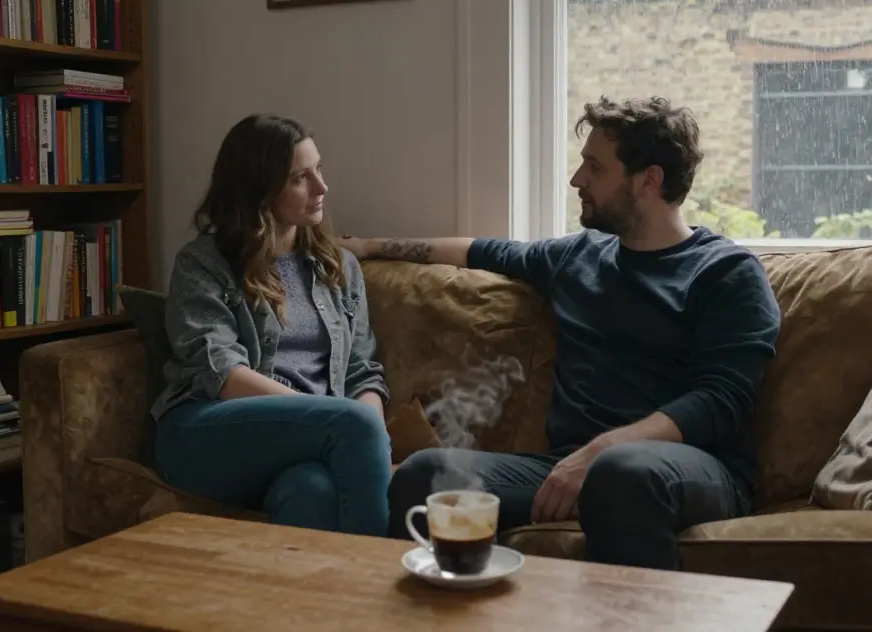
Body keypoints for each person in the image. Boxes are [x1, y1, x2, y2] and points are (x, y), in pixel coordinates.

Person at [339, 96, 782, 570]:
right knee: (425, 477)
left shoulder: (726, 273)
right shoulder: (578, 258)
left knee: (622, 474)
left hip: (687, 468)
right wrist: (366, 246)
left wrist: (602, 449)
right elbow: (482, 251)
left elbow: (721, 400)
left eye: (595, 167)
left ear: (649, 180)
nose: (577, 180)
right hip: (569, 466)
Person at [152, 113, 393, 537]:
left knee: (311, 490)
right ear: (259, 189)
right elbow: (221, 371)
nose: (322, 187)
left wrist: (370, 435)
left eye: (319, 169)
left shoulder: (339, 268)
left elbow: (361, 370)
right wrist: (333, 419)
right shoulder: (203, 264)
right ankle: (378, 588)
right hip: (207, 433)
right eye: (301, 177)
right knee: (354, 422)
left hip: (311, 440)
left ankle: (309, 604)